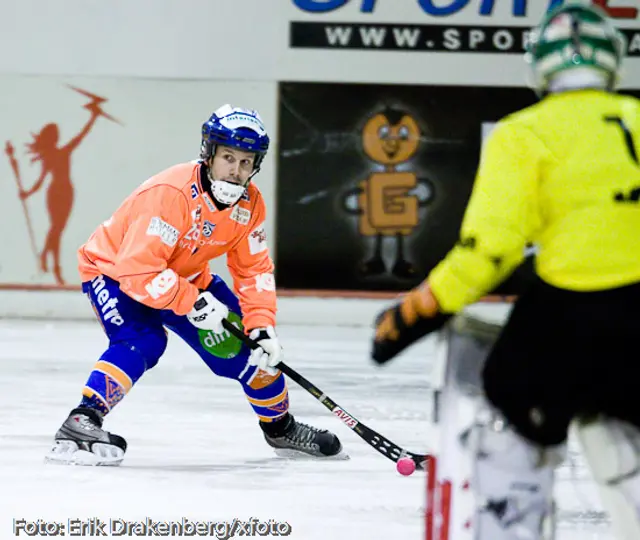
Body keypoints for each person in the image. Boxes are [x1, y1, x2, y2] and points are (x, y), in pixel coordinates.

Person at [371, 3, 640, 539]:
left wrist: (414, 311)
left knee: (511, 408)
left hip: (572, 313)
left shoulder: (524, 132)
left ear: (538, 65)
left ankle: (512, 523)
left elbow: (489, 252)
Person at [46, 104, 343, 466]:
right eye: (228, 158)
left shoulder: (250, 206)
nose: (236, 171)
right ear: (209, 154)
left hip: (183, 277)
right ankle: (82, 420)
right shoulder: (170, 194)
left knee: (253, 352)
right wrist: (193, 302)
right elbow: (138, 271)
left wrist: (261, 323)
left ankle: (279, 427)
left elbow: (254, 270)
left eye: (246, 162)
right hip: (112, 271)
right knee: (144, 340)